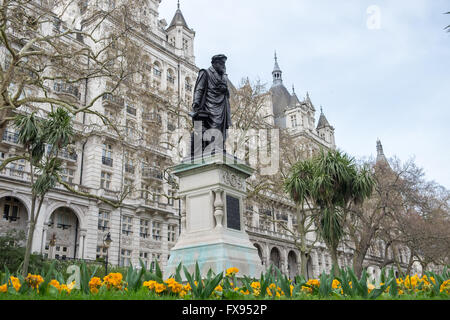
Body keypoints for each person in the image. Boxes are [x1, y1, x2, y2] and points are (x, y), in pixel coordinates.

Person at [190, 54, 232, 158]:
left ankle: (218, 148)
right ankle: (212, 149)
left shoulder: (223, 77)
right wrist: (196, 103)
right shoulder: (205, 73)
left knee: (222, 130)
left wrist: (225, 90)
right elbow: (199, 89)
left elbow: (227, 94)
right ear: (215, 63)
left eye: (224, 64)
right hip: (210, 107)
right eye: (222, 64)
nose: (223, 66)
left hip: (222, 107)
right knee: (213, 127)